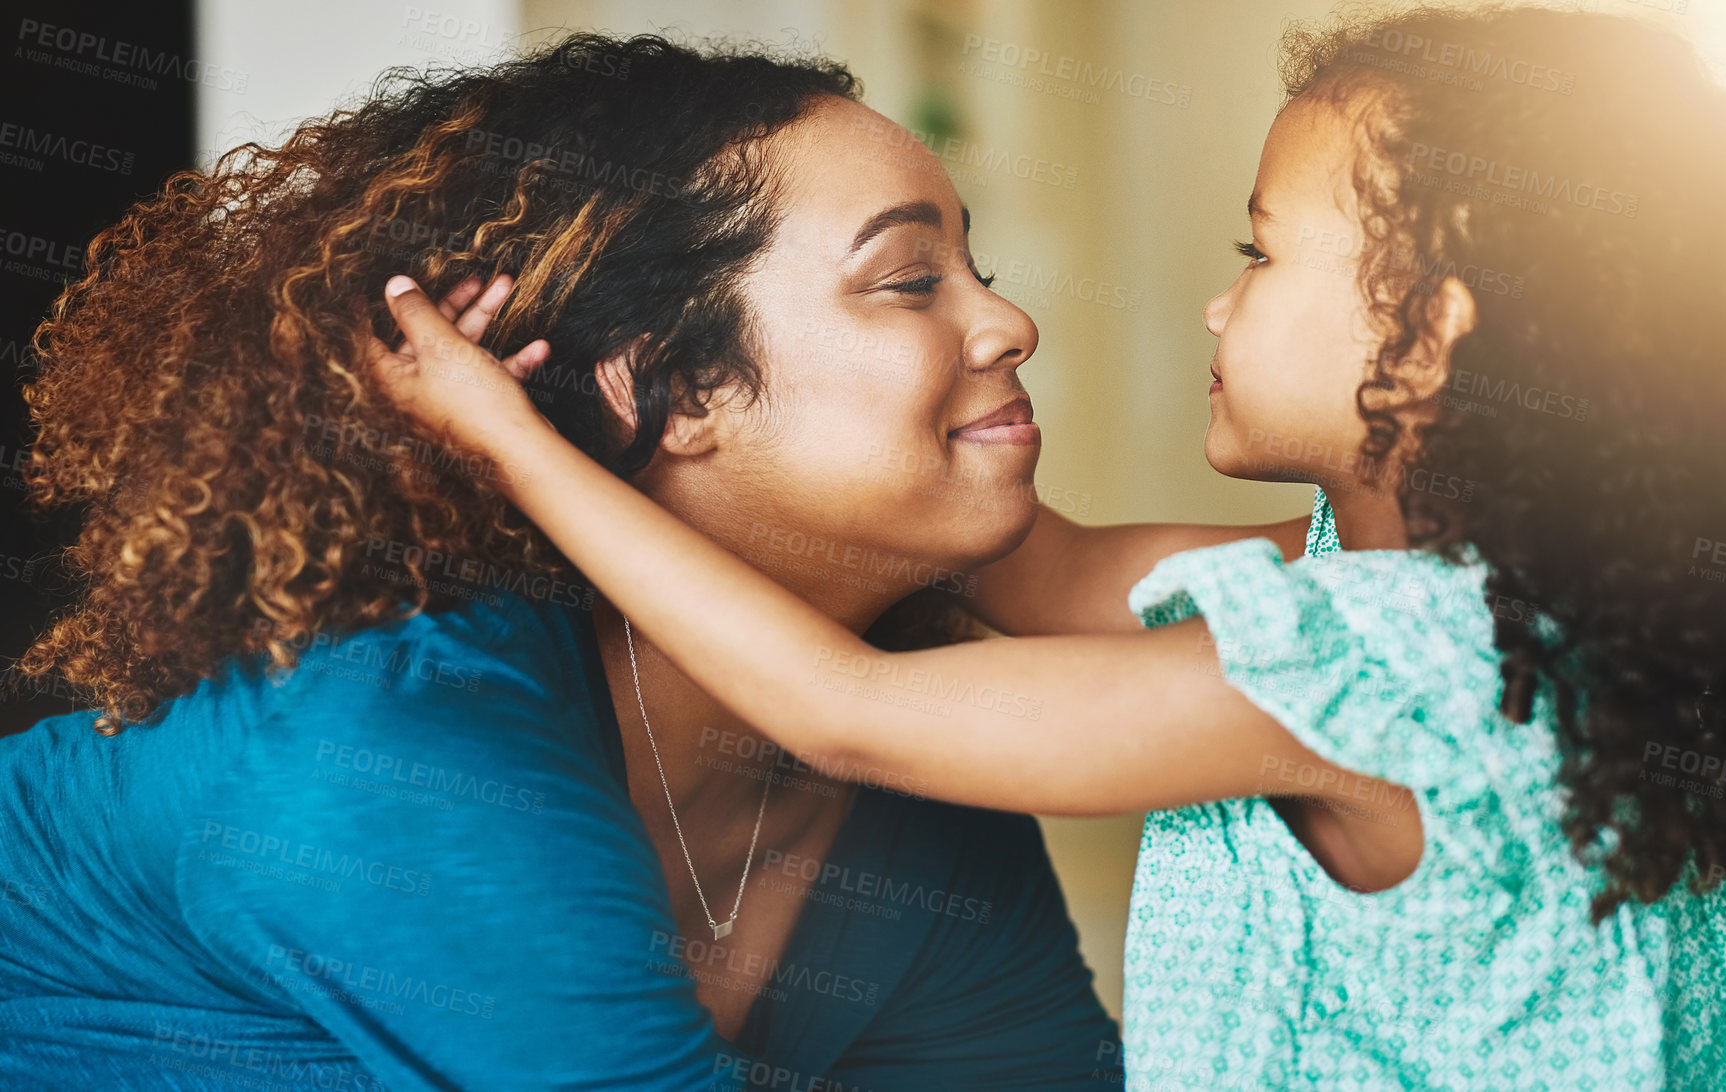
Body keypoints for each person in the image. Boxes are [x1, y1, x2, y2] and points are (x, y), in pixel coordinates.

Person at [371, 6, 1726, 1089]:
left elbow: (844, 710)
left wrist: (518, 443)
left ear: (1434, 330)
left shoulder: (1375, 673)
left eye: (1259, 257)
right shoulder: (1439, 610)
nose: (1216, 305)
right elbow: (1050, 575)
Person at [0, 34, 1118, 1090]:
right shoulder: (392, 737)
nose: (1009, 322)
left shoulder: (918, 781)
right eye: (908, 280)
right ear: (660, 386)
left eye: (976, 266)